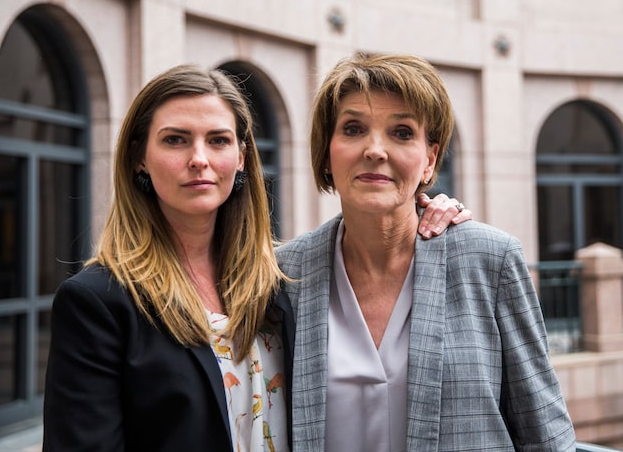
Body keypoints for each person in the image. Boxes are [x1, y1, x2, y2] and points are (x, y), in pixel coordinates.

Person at [42, 64, 469, 452]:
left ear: (242, 156)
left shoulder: (276, 282)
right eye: (175, 139)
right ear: (139, 157)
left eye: (218, 140)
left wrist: (426, 211)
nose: (199, 159)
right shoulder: (98, 302)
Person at [277, 53, 577, 452]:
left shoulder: (490, 260)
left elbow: (546, 435)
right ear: (327, 153)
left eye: (401, 132)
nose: (375, 150)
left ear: (429, 159)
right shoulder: (285, 274)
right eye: (353, 129)